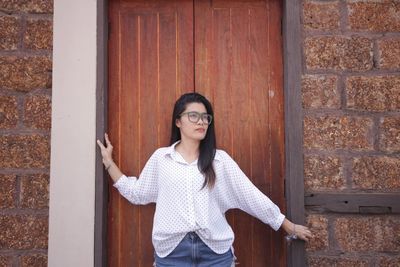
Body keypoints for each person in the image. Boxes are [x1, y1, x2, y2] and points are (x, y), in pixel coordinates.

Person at [97, 92, 312, 267]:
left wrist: (287, 225)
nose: (201, 121)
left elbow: (250, 195)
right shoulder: (162, 159)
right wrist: (109, 163)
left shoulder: (220, 160)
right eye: (193, 116)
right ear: (178, 121)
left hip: (215, 253)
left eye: (205, 117)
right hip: (172, 253)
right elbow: (137, 193)